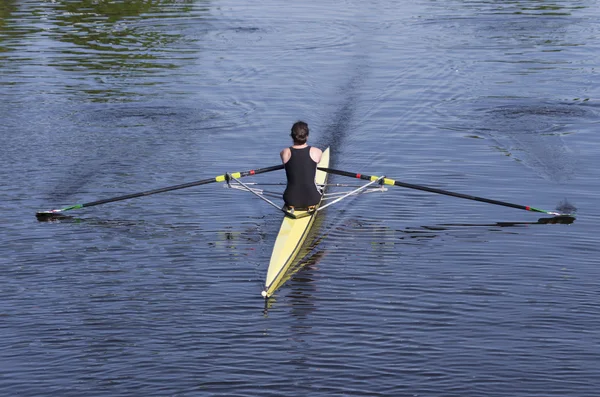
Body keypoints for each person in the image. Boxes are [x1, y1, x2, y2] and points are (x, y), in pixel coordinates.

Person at [280, 121, 323, 210]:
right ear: (307, 136)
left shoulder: (284, 152)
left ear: (292, 136)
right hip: (312, 198)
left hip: (290, 199)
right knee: (318, 188)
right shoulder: (317, 152)